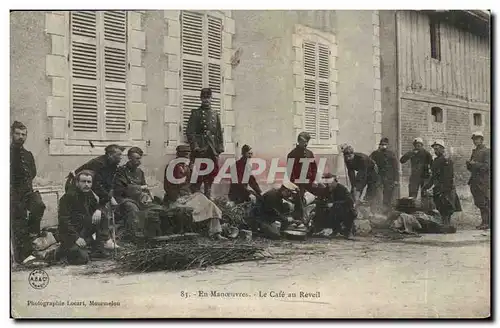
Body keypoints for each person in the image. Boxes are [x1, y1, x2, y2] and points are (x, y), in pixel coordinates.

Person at [164, 145, 227, 240]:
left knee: (210, 204)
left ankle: (216, 232)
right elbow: (168, 187)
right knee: (186, 209)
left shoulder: (189, 167)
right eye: (183, 154)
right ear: (177, 155)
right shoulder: (171, 167)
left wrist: (195, 171)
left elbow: (195, 185)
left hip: (189, 196)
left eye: (187, 154)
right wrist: (176, 198)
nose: (185, 157)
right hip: (177, 198)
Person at [10, 121, 46, 264]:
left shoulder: (28, 154)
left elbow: (32, 172)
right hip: (12, 194)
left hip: (27, 192)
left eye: (23, 134)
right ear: (11, 134)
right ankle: (24, 256)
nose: (20, 137)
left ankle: (32, 236)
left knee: (39, 205)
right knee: (19, 219)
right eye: (17, 134)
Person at [58, 170, 109, 265]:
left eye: (89, 182)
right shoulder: (68, 197)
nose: (86, 184)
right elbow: (64, 220)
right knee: (82, 259)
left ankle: (99, 246)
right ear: (77, 183)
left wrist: (98, 210)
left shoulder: (89, 194)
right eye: (83, 181)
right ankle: (58, 252)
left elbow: (99, 205)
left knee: (102, 215)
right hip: (71, 234)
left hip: (84, 231)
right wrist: (76, 238)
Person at [186, 88, 224, 199]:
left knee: (211, 174)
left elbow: (218, 133)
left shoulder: (215, 114)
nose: (206, 100)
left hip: (211, 148)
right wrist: (196, 147)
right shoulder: (196, 113)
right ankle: (196, 197)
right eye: (204, 98)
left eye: (208, 98)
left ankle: (208, 196)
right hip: (200, 149)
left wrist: (219, 148)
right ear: (200, 99)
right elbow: (190, 132)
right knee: (197, 175)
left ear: (211, 99)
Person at [423, 140, 462, 226]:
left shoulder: (446, 160)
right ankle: (445, 225)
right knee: (440, 206)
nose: (435, 151)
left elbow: (448, 176)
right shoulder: (436, 160)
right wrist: (426, 186)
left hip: (446, 188)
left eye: (437, 149)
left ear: (442, 149)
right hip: (438, 187)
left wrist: (444, 189)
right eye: (434, 149)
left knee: (447, 207)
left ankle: (446, 225)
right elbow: (433, 176)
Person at [286, 132, 318, 221]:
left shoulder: (309, 153)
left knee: (321, 193)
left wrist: (314, 179)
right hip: (298, 182)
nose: (305, 143)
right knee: (299, 201)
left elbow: (314, 168)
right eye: (303, 141)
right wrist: (294, 184)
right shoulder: (292, 154)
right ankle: (300, 220)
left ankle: (316, 218)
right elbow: (290, 171)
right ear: (299, 141)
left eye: (306, 141)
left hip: (309, 181)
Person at [314, 173, 356, 240]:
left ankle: (347, 231)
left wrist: (334, 204)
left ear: (335, 181)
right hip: (334, 211)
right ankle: (332, 230)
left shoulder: (342, 189)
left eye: (330, 182)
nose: (328, 184)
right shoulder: (327, 189)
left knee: (337, 209)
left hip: (346, 211)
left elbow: (350, 201)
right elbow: (321, 198)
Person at [342, 145, 380, 211]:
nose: (348, 159)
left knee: (371, 189)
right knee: (354, 189)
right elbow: (351, 173)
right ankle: (353, 207)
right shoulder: (347, 159)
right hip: (362, 171)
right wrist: (353, 186)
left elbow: (362, 176)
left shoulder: (362, 159)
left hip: (371, 171)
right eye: (346, 157)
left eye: (349, 156)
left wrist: (357, 188)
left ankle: (368, 208)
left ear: (353, 154)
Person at [467, 131, 490, 230]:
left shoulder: (487, 151)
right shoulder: (474, 152)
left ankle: (487, 222)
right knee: (478, 202)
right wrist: (469, 165)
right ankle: (485, 222)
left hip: (483, 181)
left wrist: (474, 164)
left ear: (481, 139)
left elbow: (487, 166)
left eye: (477, 139)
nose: (475, 141)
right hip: (474, 181)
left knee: (484, 202)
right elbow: (471, 168)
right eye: (474, 139)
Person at [370, 137, 399, 214]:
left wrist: (396, 179)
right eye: (382, 144)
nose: (383, 146)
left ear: (388, 145)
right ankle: (378, 210)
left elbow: (395, 167)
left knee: (388, 195)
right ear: (379, 145)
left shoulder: (391, 154)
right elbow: (369, 161)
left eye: (385, 144)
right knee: (378, 193)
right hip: (379, 176)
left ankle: (387, 211)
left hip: (389, 177)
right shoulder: (375, 153)